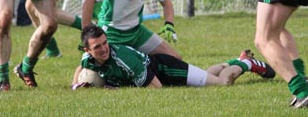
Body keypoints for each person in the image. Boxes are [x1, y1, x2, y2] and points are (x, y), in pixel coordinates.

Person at [71, 24, 275, 89]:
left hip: (165, 70)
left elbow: (156, 88)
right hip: (160, 71)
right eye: (98, 47)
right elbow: (80, 69)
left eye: (105, 43)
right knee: (203, 77)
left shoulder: (125, 60)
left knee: (222, 83)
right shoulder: (87, 59)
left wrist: (112, 89)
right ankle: (233, 62)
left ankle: (246, 64)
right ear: (87, 50)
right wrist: (75, 86)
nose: (104, 48)